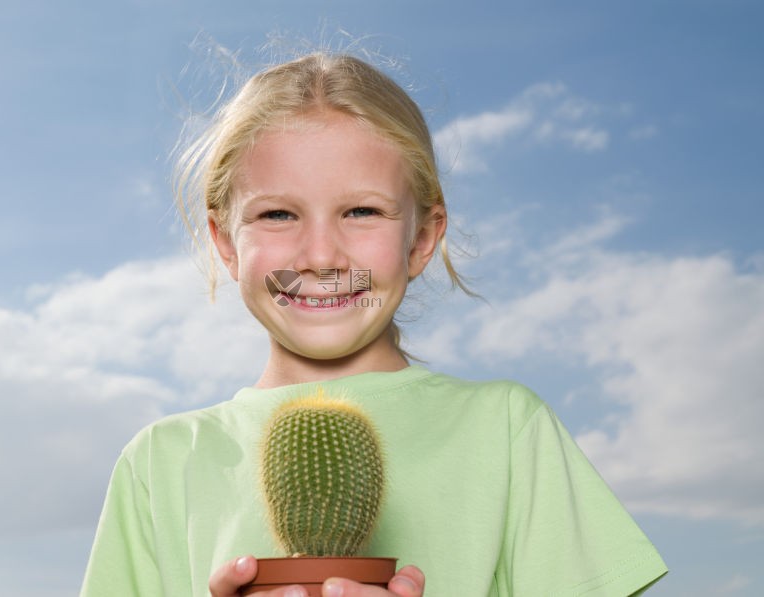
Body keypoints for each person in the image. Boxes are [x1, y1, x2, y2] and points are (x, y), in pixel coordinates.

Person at [80, 52, 667, 597]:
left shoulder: (509, 430)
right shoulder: (161, 460)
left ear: (423, 238)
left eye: (362, 212)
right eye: (277, 214)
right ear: (225, 244)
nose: (321, 256)